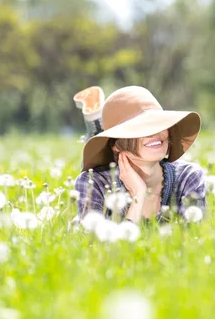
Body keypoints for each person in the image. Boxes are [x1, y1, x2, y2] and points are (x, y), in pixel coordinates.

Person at [73, 85, 206, 224]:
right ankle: (95, 127)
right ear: (116, 144)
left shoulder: (188, 177)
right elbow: (90, 242)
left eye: (159, 123)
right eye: (140, 128)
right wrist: (138, 196)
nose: (155, 132)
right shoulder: (93, 183)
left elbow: (195, 238)